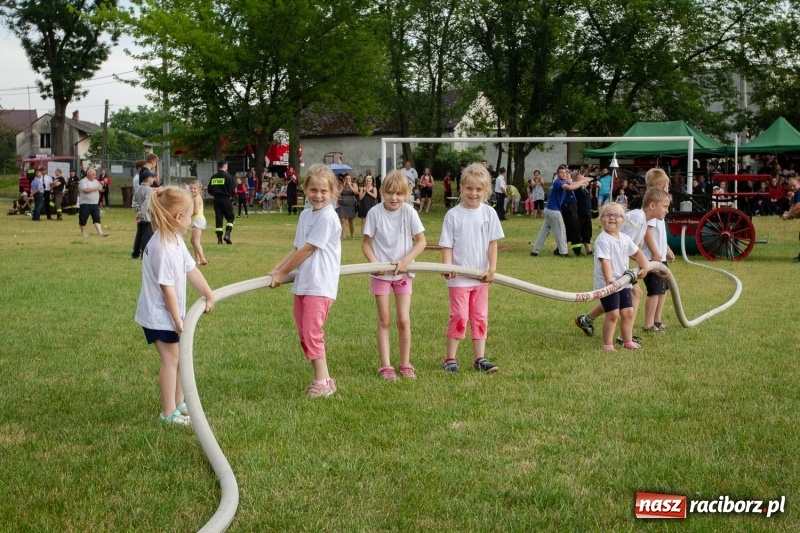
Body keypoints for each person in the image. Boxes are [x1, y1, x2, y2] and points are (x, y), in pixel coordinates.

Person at [135, 186, 216, 426]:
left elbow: (191, 270)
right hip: (159, 317)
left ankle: (180, 402)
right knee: (171, 360)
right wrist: (177, 320)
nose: (192, 221)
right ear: (179, 217)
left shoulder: (176, 241)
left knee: (179, 358)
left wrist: (209, 294)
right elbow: (166, 288)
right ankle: (168, 411)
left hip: (171, 316)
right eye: (191, 216)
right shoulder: (161, 247)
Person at [269, 164, 341, 398]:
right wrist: (277, 269)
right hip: (304, 282)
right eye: (313, 190)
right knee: (305, 335)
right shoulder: (305, 215)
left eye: (323, 191)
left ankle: (321, 382)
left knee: (312, 333)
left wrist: (282, 273)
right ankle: (326, 380)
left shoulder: (328, 217)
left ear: (332, 191)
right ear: (304, 189)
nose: (318, 195)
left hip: (319, 284)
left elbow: (308, 249)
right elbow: (297, 248)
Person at [575, 188, 671, 344]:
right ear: (653, 205)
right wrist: (648, 267)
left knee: (623, 299)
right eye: (665, 206)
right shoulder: (637, 218)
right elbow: (620, 246)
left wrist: (651, 267)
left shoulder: (643, 220)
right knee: (632, 296)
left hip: (621, 270)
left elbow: (633, 249)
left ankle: (586, 319)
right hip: (614, 271)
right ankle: (622, 336)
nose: (667, 210)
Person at [439, 163, 505, 374]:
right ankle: (450, 358)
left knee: (480, 317)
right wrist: (448, 266)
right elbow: (447, 245)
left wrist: (492, 269)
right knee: (459, 315)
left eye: (478, 189)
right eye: (469, 188)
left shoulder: (489, 214)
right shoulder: (453, 215)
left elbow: (492, 244)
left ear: (486, 191)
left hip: (481, 277)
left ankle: (479, 358)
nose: (473, 193)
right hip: (458, 278)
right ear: (462, 188)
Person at [362, 170, 427, 380]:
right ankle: (386, 366)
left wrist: (405, 261)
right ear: (382, 192)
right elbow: (366, 244)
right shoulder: (375, 213)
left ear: (406, 194)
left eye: (399, 193)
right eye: (390, 192)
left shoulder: (409, 212)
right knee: (384, 320)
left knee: (403, 320)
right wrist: (375, 263)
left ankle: (405, 364)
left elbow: (421, 241)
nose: (394, 197)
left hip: (404, 274)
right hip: (381, 275)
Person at [592, 203, 650, 351]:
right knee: (612, 314)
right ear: (601, 219)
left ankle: (627, 341)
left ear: (623, 220)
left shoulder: (624, 238)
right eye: (608, 215)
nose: (612, 218)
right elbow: (605, 261)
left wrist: (645, 266)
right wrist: (609, 279)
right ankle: (608, 344)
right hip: (609, 284)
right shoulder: (603, 240)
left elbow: (637, 253)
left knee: (628, 312)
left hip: (624, 282)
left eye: (617, 215)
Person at [640, 168, 675, 333]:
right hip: (651, 258)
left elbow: (659, 235)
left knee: (663, 289)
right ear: (662, 187)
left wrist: (666, 249)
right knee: (654, 291)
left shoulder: (661, 208)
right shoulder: (653, 209)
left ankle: (657, 320)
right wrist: (655, 253)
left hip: (660, 257)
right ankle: (648, 324)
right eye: (668, 186)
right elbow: (647, 232)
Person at [530, 165, 591, 257]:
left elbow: (572, 185)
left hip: (549, 210)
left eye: (565, 173)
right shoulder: (558, 182)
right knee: (561, 231)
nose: (564, 174)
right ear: (558, 174)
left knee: (544, 232)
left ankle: (535, 251)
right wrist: (582, 182)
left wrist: (584, 180)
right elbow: (570, 188)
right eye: (561, 173)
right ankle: (563, 253)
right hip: (553, 211)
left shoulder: (563, 182)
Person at [132, 155, 159, 258]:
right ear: (148, 178)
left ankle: (135, 253)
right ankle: (144, 254)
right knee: (146, 236)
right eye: (152, 177)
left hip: (140, 215)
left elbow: (134, 201)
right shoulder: (149, 190)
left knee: (139, 234)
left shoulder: (138, 189)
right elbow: (146, 204)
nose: (153, 179)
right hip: (146, 217)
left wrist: (137, 210)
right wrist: (141, 214)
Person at [207, 160, 235, 244]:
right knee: (230, 217)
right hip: (225, 199)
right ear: (223, 166)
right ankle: (227, 234)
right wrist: (229, 194)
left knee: (219, 218)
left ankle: (219, 240)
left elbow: (209, 190)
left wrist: (215, 194)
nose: (227, 167)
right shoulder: (228, 176)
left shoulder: (213, 177)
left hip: (216, 199)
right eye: (227, 165)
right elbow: (232, 189)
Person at [78, 169, 109, 237]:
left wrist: (104, 184)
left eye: (95, 175)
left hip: (94, 203)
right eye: (93, 175)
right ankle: (83, 232)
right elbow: (86, 190)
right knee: (83, 218)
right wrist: (96, 188)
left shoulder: (96, 182)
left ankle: (100, 232)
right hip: (85, 203)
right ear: (89, 175)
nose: (95, 176)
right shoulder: (83, 181)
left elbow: (101, 189)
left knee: (97, 218)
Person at [189, 181, 208, 266]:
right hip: (196, 220)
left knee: (196, 241)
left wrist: (188, 214)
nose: (193, 190)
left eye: (195, 188)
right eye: (191, 188)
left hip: (198, 220)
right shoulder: (194, 197)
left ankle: (202, 258)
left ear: (199, 189)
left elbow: (196, 211)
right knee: (193, 241)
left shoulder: (197, 198)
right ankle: (197, 259)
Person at [338, 172, 358, 239]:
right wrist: (343, 185)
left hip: (351, 204)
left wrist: (350, 186)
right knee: (343, 220)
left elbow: (356, 192)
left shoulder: (353, 184)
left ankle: (352, 235)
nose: (348, 180)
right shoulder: (341, 185)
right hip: (343, 205)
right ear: (344, 179)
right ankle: (343, 236)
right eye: (346, 179)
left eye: (349, 179)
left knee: (351, 220)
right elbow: (338, 193)